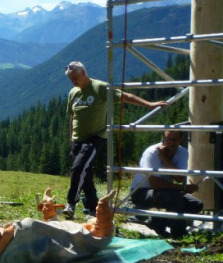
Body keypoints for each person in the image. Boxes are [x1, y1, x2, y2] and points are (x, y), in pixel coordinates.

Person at [63, 61, 167, 219]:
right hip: (78, 139)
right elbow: (73, 116)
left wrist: (148, 104)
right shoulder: (73, 93)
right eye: (71, 79)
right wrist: (71, 138)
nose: (74, 81)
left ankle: (71, 203)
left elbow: (124, 96)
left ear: (84, 72)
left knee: (78, 168)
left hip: (95, 138)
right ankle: (93, 209)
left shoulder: (99, 87)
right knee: (86, 176)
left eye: (75, 77)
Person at [130, 130, 204, 238]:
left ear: (181, 139)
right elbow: (155, 184)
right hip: (142, 192)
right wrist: (182, 188)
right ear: (163, 138)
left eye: (175, 139)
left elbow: (179, 177)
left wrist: (165, 159)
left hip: (167, 192)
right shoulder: (152, 153)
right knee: (175, 196)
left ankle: (156, 221)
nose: (171, 143)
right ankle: (179, 234)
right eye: (168, 139)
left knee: (196, 205)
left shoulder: (183, 153)